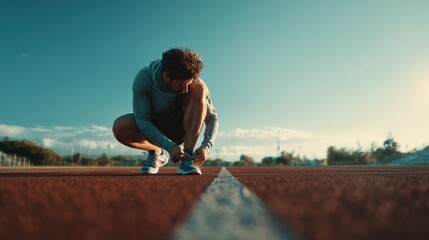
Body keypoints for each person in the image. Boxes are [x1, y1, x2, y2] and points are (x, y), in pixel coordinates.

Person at [112, 48, 218, 175]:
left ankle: (187, 158)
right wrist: (169, 147)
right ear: (166, 76)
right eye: (180, 85)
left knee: (200, 89)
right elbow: (142, 120)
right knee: (120, 126)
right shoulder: (144, 78)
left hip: (181, 129)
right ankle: (157, 153)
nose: (185, 90)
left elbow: (212, 118)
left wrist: (206, 147)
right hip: (153, 128)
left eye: (187, 85)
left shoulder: (194, 83)